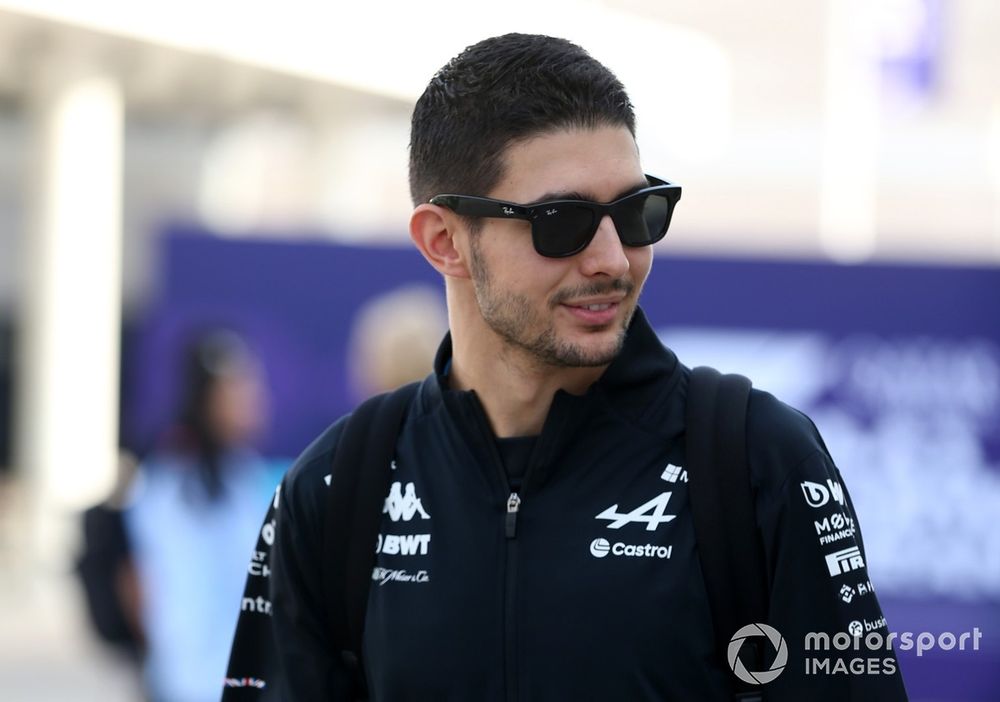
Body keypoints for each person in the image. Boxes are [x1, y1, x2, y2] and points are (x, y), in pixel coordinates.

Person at [223, 34, 908, 700]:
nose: (613, 258)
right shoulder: (337, 486)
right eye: (562, 220)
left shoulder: (754, 458)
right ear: (444, 243)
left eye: (637, 211)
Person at [126, 330, 274, 702]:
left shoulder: (244, 475)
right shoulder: (169, 479)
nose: (255, 398)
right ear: (211, 396)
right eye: (241, 387)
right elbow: (148, 587)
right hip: (188, 683)